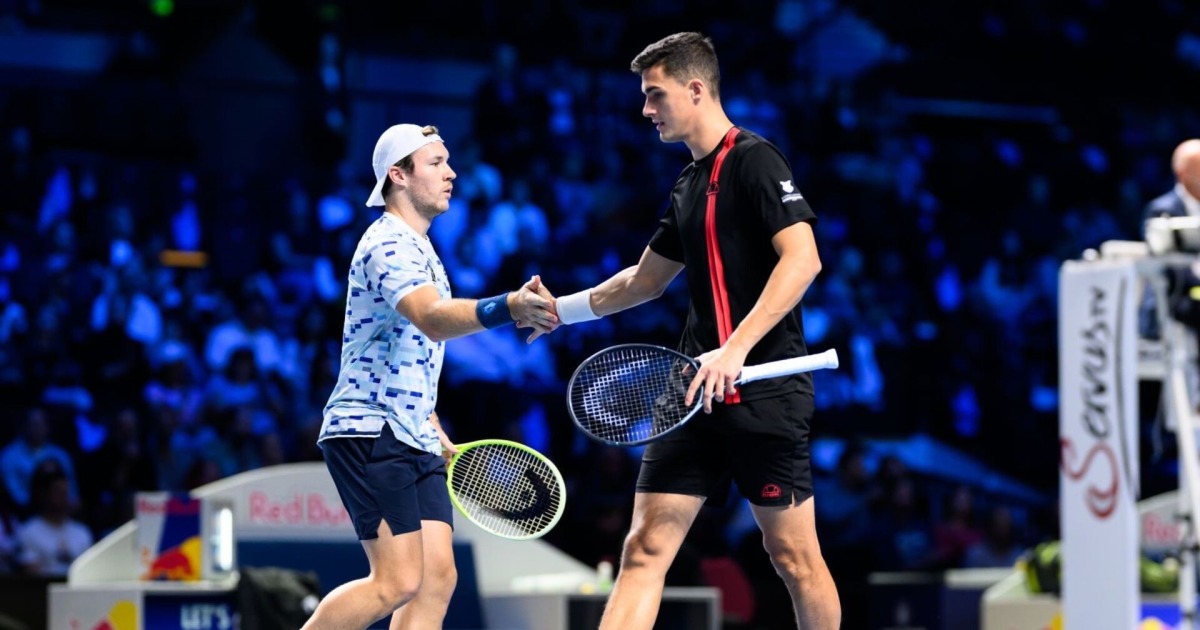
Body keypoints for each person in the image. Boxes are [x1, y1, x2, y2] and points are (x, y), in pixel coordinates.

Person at [543, 32, 839, 629]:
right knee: (643, 549)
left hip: (763, 392)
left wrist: (735, 349)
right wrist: (559, 311)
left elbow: (803, 259)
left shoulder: (756, 160)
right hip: (690, 395)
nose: (645, 109)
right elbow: (643, 281)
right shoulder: (686, 185)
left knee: (793, 557)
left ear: (696, 89)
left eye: (655, 94)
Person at [300, 123, 558, 630]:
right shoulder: (387, 243)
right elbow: (432, 319)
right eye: (437, 163)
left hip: (412, 428)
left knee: (437, 578)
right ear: (398, 175)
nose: (451, 173)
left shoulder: (421, 248)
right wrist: (508, 306)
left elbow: (409, 348)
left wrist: (428, 418)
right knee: (395, 581)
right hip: (371, 428)